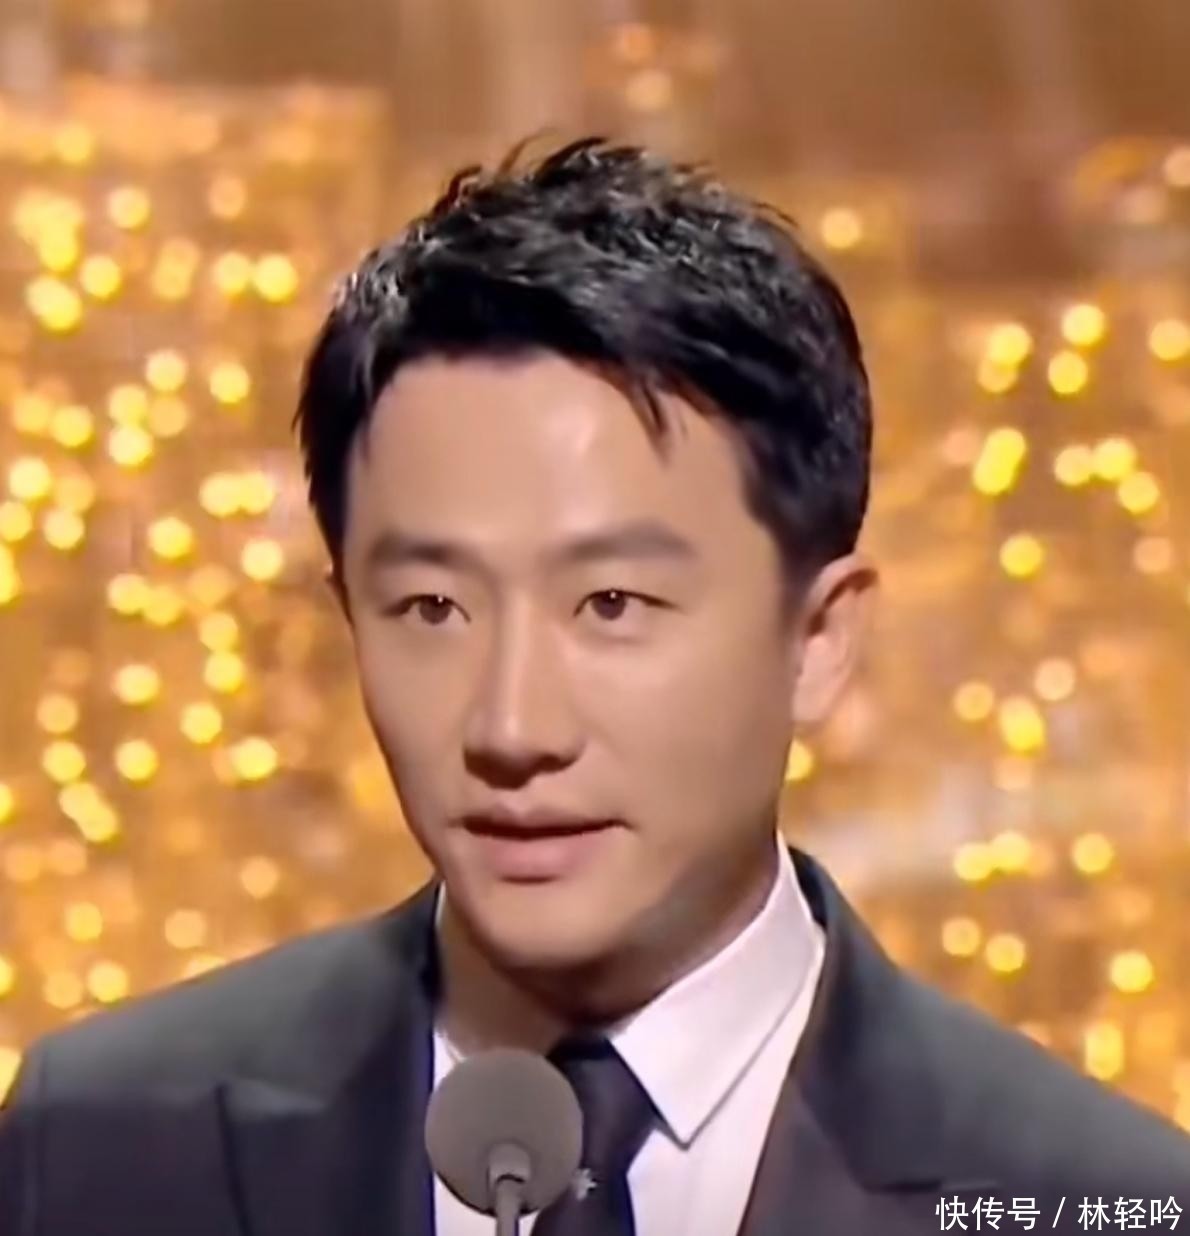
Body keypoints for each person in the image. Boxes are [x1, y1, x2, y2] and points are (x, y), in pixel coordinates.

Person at [1, 138, 1185, 1236]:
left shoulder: (1088, 1198)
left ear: (819, 639)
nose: (511, 727)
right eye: (432, 609)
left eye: (611, 604)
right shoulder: (107, 1147)